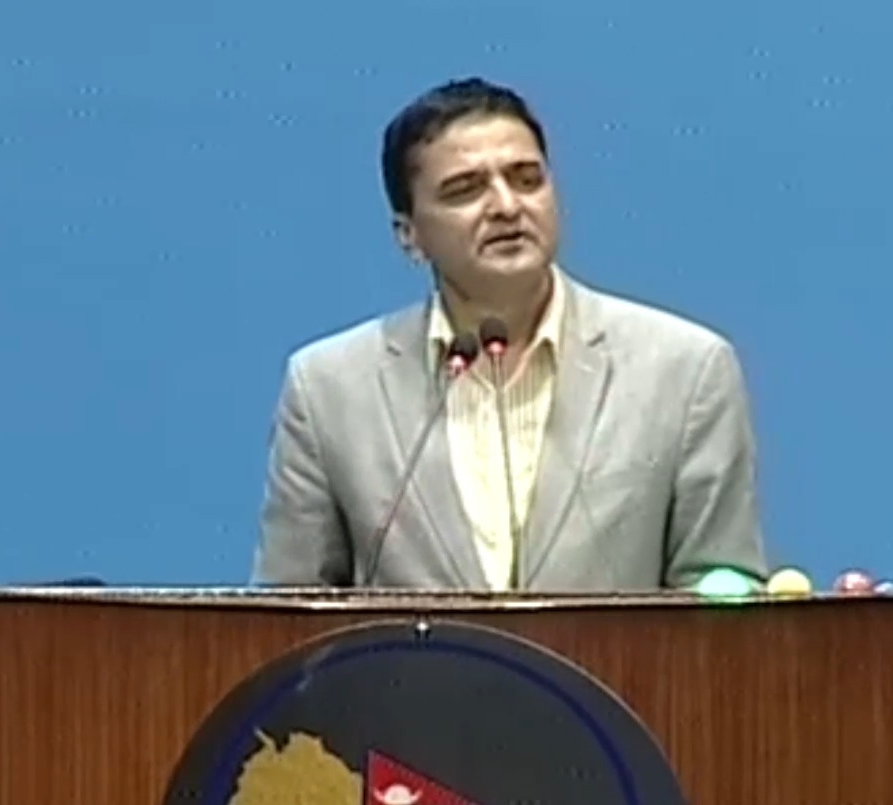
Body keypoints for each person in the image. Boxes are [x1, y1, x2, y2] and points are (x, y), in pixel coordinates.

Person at [251, 77, 767, 591]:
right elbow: (287, 615)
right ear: (410, 235)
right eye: (465, 190)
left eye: (526, 180)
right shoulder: (329, 390)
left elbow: (719, 592)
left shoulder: (684, 371)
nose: (505, 206)